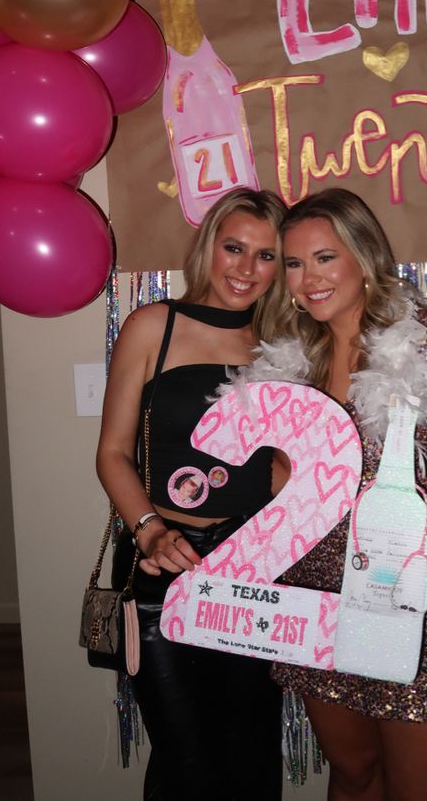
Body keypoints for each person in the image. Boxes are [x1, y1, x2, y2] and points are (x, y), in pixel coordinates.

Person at [258, 188, 427, 801]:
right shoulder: (289, 362)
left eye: (325, 257)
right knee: (352, 775)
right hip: (318, 602)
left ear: (363, 255)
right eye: (293, 264)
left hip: (415, 603)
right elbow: (276, 484)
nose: (307, 279)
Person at [96, 187, 288, 801]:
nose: (245, 269)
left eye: (266, 256)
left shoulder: (283, 345)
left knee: (252, 752)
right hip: (160, 564)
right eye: (234, 247)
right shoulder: (154, 324)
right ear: (209, 245)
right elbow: (113, 453)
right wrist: (148, 527)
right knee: (186, 760)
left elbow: (292, 465)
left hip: (253, 566)